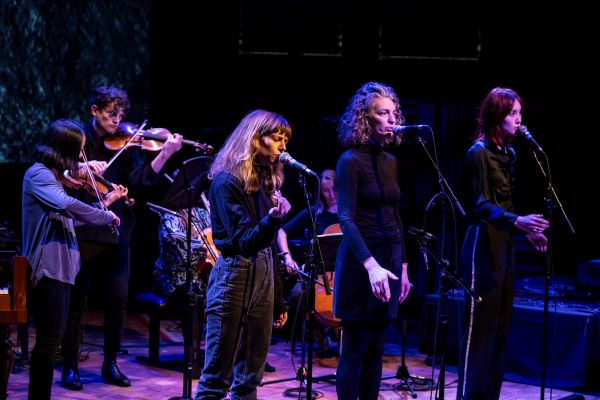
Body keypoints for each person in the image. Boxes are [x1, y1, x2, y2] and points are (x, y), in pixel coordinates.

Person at [60, 86, 183, 390]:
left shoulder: (126, 147)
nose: (117, 120)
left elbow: (140, 183)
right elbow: (60, 177)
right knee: (78, 301)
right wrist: (80, 168)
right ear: (94, 110)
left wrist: (165, 154)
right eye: (110, 113)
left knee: (118, 301)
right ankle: (70, 365)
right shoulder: (78, 140)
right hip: (86, 230)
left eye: (120, 115)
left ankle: (110, 363)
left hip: (117, 232)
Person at [456, 87, 549, 400]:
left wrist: (525, 230)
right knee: (479, 331)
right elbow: (478, 204)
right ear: (497, 116)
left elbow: (506, 204)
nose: (519, 120)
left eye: (520, 113)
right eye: (512, 114)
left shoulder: (509, 154)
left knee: (500, 330)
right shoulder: (478, 153)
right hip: (481, 246)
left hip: (505, 245)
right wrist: (518, 222)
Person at [194, 109, 291, 400]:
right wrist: (272, 220)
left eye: (285, 140)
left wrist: (278, 299)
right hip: (234, 274)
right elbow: (244, 240)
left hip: (263, 275)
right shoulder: (226, 182)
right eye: (277, 139)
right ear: (254, 139)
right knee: (215, 379)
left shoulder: (265, 181)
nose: (283, 147)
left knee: (250, 378)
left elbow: (268, 247)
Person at [22, 119, 121, 399]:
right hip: (47, 269)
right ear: (64, 148)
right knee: (47, 344)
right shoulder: (38, 174)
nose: (81, 157)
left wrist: (107, 205)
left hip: (63, 269)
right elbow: (66, 204)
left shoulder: (52, 179)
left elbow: (67, 220)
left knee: (51, 344)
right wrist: (103, 216)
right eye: (79, 150)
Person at [334, 81, 411, 400]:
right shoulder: (350, 160)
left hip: (390, 259)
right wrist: (371, 266)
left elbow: (395, 215)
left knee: (377, 348)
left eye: (394, 113)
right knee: (356, 347)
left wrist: (403, 266)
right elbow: (346, 218)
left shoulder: (391, 162)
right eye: (383, 113)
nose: (392, 119)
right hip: (360, 261)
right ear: (365, 118)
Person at [276, 169, 339, 351]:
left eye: (334, 189)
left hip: (341, 272)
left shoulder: (348, 214)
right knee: (297, 295)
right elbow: (282, 232)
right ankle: (317, 330)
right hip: (315, 273)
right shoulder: (314, 212)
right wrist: (288, 257)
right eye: (326, 191)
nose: (331, 195)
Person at [153, 205, 212, 378]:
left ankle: (226, 358)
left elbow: (216, 235)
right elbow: (174, 242)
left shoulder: (202, 213)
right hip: (172, 279)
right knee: (193, 296)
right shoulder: (169, 214)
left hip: (200, 276)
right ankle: (192, 358)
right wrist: (201, 248)